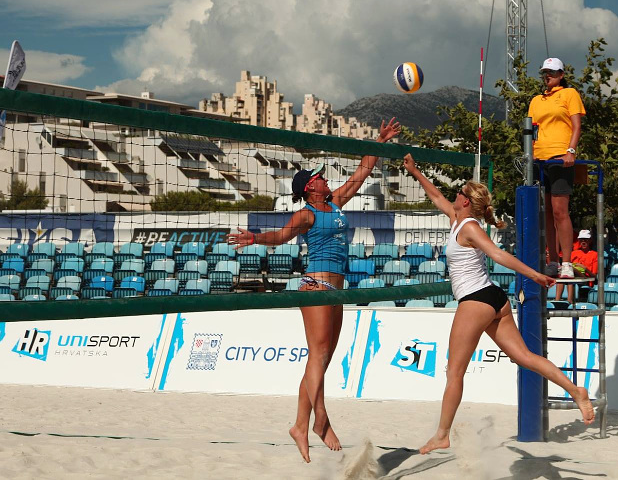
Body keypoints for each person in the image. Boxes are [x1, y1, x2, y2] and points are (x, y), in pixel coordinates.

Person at [228, 118, 400, 463]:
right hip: (316, 286)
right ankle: (321, 421)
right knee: (318, 358)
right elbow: (281, 236)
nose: (324, 177)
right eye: (319, 176)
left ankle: (299, 425)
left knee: (321, 360)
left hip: (337, 289)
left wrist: (379, 143)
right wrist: (254, 237)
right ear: (309, 188)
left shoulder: (335, 202)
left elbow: (361, 174)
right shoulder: (305, 214)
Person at [402, 153, 595, 454]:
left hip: (476, 300)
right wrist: (415, 171)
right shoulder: (458, 220)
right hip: (493, 298)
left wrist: (534, 274)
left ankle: (442, 434)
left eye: (460, 192)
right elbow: (435, 194)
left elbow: (498, 255)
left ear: (466, 201)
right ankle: (576, 391)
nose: (454, 194)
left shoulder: (470, 228)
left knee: (454, 373)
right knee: (525, 357)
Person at [527, 57, 586, 281]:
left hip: (560, 157)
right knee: (546, 214)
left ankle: (567, 262)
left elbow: (576, 125)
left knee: (561, 211)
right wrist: (530, 152)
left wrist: (571, 150)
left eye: (552, 72)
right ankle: (552, 261)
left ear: (561, 74)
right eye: (545, 72)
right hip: (539, 159)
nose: (547, 75)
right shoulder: (536, 100)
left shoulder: (569, 94)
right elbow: (532, 129)